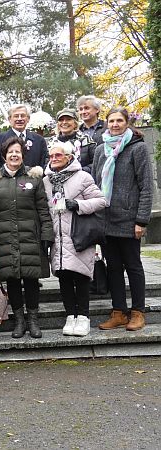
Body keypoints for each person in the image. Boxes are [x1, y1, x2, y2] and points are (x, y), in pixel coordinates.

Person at [0, 136, 54, 339]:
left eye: (17, 151)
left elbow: (44, 210)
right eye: (10, 152)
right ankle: (19, 321)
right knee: (12, 280)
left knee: (31, 280)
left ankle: (33, 320)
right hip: (4, 238)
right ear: (4, 156)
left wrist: (47, 234)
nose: (14, 155)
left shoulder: (34, 180)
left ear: (23, 154)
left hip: (30, 238)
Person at [92, 107, 153, 331]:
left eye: (119, 120)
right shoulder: (100, 150)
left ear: (127, 123)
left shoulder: (137, 149)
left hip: (129, 220)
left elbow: (146, 186)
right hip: (106, 219)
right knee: (113, 267)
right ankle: (118, 312)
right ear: (106, 123)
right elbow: (96, 184)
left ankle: (138, 312)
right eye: (111, 121)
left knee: (133, 266)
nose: (115, 124)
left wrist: (142, 220)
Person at [43, 142, 106, 336]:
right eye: (51, 156)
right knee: (64, 277)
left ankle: (84, 317)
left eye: (58, 156)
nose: (54, 159)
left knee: (81, 276)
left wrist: (78, 204)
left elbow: (101, 200)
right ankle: (71, 316)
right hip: (58, 238)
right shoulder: (46, 181)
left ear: (69, 158)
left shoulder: (83, 177)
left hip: (78, 236)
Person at [0, 104, 48, 170]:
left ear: (28, 119)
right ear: (10, 119)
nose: (19, 119)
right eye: (16, 116)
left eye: (22, 116)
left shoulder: (39, 140)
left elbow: (44, 164)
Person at [49, 108, 97, 173]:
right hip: (55, 179)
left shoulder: (86, 140)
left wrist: (78, 171)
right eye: (61, 120)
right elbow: (47, 163)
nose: (64, 122)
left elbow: (95, 163)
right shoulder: (51, 142)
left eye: (68, 119)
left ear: (75, 123)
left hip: (81, 178)